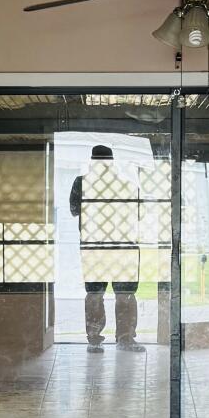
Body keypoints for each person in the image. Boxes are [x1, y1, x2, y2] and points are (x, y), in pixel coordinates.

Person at [70, 143, 144, 351]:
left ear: (91, 161)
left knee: (94, 294)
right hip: (124, 247)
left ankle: (94, 339)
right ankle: (125, 338)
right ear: (112, 162)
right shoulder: (127, 183)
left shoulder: (81, 183)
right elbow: (140, 214)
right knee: (126, 294)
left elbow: (75, 210)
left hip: (94, 247)